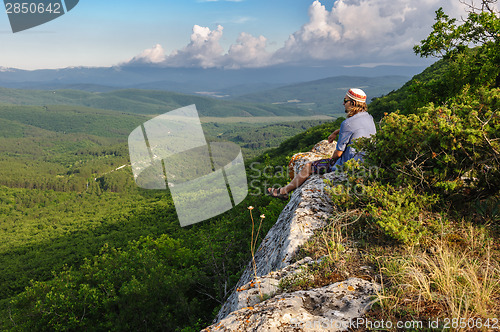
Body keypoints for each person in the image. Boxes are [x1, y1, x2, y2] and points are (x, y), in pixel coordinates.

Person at [266, 88, 376, 200]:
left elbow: (338, 154)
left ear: (353, 103)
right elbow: (357, 128)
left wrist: (331, 159)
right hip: (366, 163)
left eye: (345, 100)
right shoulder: (369, 118)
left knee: (309, 166)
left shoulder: (347, 124)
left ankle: (284, 191)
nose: (343, 103)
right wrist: (336, 132)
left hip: (348, 166)